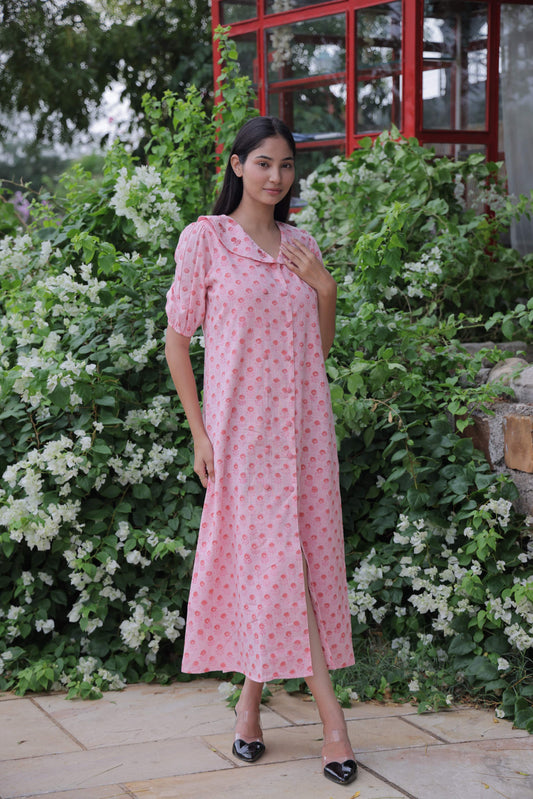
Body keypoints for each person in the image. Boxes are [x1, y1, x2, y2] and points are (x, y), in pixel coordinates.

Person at [165, 116, 357, 786]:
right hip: (241, 440)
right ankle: (332, 721)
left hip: (304, 434)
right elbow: (175, 339)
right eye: (264, 163)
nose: (276, 177)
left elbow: (316, 350)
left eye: (285, 165)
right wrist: (198, 430)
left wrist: (324, 286)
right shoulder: (206, 239)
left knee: (292, 562)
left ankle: (250, 707)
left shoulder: (301, 245)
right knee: (281, 563)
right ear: (237, 164)